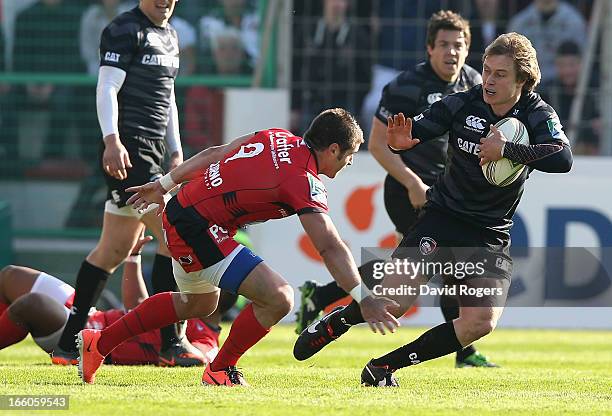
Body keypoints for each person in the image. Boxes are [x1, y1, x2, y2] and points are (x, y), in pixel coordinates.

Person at [294, 33, 572, 387]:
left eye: (500, 74)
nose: (488, 80)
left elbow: (563, 158)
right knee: (394, 301)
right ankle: (337, 322)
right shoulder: (462, 103)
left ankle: (382, 367)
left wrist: (509, 151)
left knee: (480, 322)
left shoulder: (537, 114)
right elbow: (417, 130)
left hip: (489, 234)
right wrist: (401, 142)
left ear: (523, 80)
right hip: (442, 219)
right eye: (486, 70)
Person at [77, 108, 400, 386]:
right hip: (199, 229)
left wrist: (163, 185)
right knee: (278, 298)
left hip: (183, 213)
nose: (349, 163)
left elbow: (215, 153)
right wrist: (363, 297)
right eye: (349, 155)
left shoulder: (275, 135)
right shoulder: (303, 179)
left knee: (198, 305)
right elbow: (329, 245)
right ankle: (220, 369)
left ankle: (98, 343)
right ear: (332, 149)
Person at [296, 10, 497, 369]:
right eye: (445, 45)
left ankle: (323, 294)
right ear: (430, 48)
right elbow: (376, 145)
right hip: (407, 187)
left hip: (445, 191)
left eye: (460, 45)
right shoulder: (406, 86)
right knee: (424, 270)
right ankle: (464, 351)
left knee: (429, 266)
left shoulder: (473, 84)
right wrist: (413, 183)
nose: (452, 52)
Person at [52, 0, 204, 368]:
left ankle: (68, 344)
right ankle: (173, 342)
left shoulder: (170, 35)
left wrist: (176, 150)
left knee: (113, 249)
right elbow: (107, 88)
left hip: (153, 151)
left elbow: (168, 98)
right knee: (173, 236)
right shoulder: (123, 29)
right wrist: (111, 140)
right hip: (130, 151)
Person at [0, 236, 219, 365]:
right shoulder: (182, 305)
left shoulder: (206, 337)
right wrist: (133, 257)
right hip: (93, 315)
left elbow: (197, 358)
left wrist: (179, 336)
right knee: (10, 275)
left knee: (31, 304)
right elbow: (139, 308)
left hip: (88, 337)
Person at [507, 0, 587, 84]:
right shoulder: (519, 23)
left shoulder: (574, 22)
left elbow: (582, 59)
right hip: (529, 83)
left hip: (563, 86)